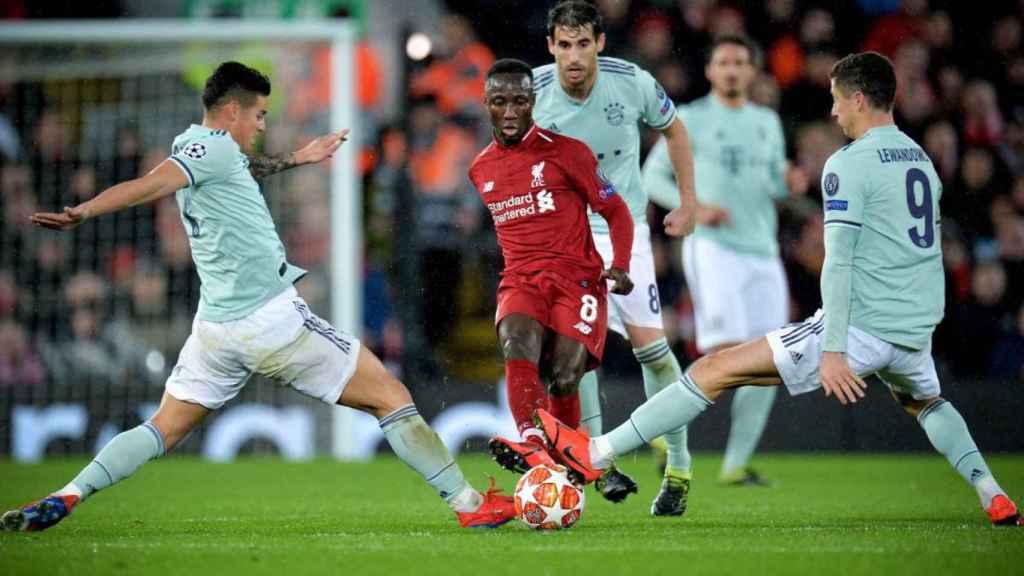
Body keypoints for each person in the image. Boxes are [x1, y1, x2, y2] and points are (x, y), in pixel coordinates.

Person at [2, 61, 514, 532]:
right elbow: (148, 185)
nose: (263, 124)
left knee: (162, 428)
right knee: (392, 397)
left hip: (216, 331)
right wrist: (84, 211)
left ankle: (71, 493)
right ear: (232, 111)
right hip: (269, 321)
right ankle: (469, 505)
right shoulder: (207, 149)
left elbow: (240, 170)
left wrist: (300, 156)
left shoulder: (202, 147)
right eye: (260, 114)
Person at [533, 52, 1023, 528]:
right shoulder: (921, 159)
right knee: (926, 402)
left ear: (857, 99)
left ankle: (595, 451)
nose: (832, 112)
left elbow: (839, 261)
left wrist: (834, 349)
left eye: (835, 100)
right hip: (913, 327)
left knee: (713, 369)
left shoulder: (847, 164)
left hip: (858, 327)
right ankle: (993, 494)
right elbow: (923, 252)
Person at [530, 0, 698, 510]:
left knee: (652, 348)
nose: (574, 56)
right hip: (564, 237)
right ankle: (593, 460)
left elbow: (675, 130)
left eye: (584, 44)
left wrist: (688, 201)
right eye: (565, 45)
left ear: (600, 43)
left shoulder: (633, 82)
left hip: (624, 233)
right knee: (573, 352)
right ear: (551, 47)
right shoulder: (531, 92)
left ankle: (679, 465)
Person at [642, 35, 809, 491]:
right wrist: (691, 205)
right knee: (727, 351)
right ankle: (667, 434)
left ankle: (736, 464)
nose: (732, 69)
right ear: (711, 71)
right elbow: (651, 176)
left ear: (752, 72)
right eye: (723, 61)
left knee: (771, 359)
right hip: (714, 247)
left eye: (740, 62)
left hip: (763, 251)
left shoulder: (767, 121)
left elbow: (774, 181)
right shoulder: (690, 119)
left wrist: (788, 182)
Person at [473, 59, 635, 478]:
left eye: (520, 101)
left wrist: (620, 264)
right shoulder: (480, 169)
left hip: (576, 280)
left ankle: (571, 464)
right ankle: (533, 441)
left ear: (533, 102)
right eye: (499, 101)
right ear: (486, 103)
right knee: (515, 340)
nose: (510, 112)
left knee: (564, 376)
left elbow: (617, 212)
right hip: (521, 280)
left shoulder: (567, 152)